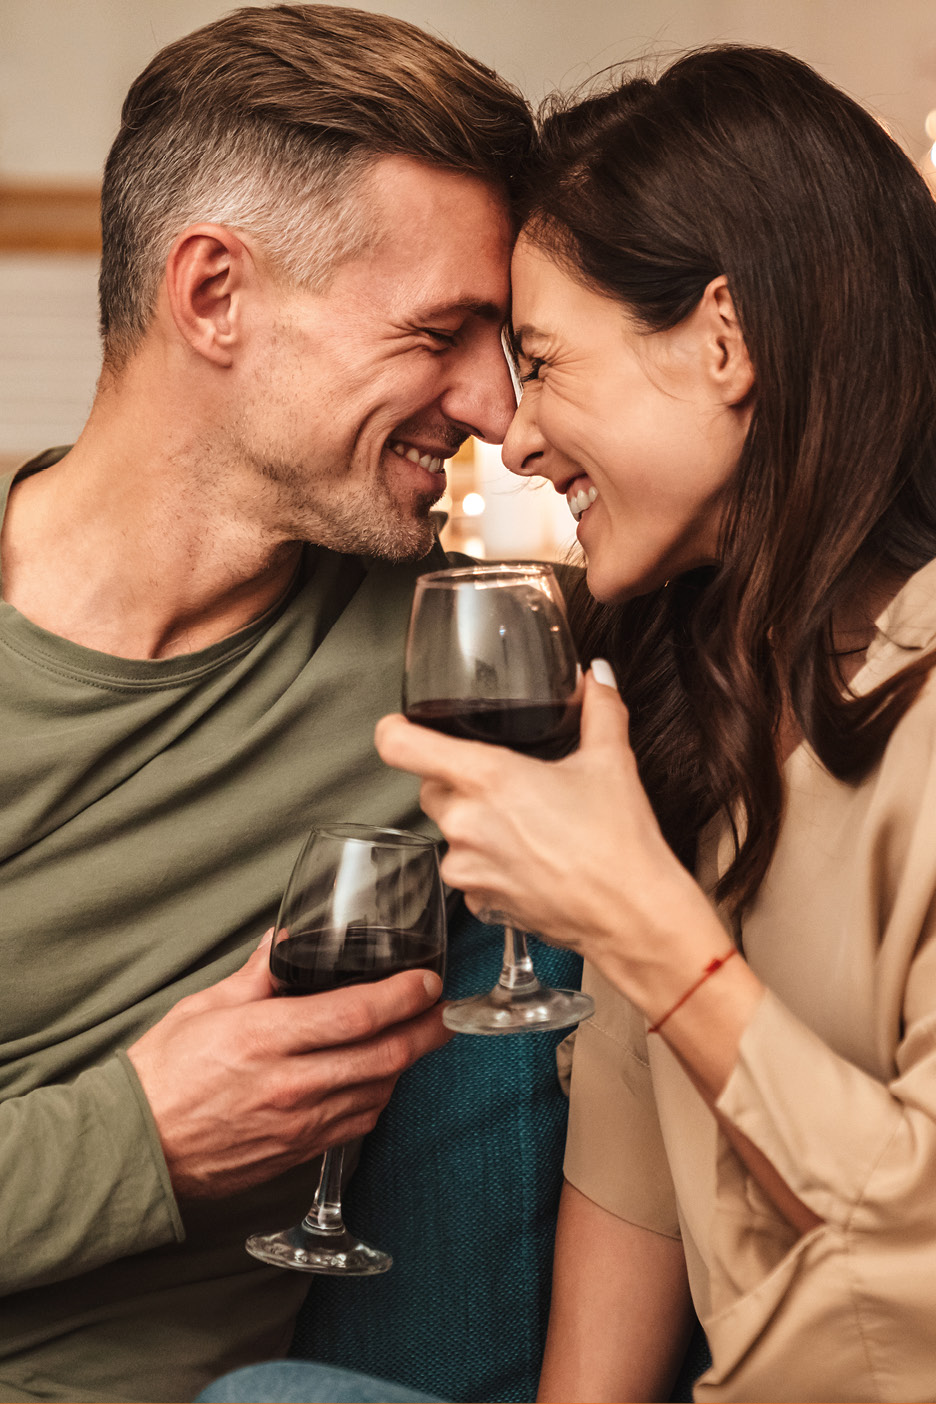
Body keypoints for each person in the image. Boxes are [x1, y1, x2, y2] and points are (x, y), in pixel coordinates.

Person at [376, 45, 936, 1402]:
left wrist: (647, 929)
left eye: (547, 362)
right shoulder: (690, 700)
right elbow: (624, 1204)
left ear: (725, 341)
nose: (512, 437)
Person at [0, 6, 533, 1401]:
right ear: (215, 294)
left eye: (509, 340)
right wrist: (143, 1140)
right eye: (442, 332)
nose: (494, 404)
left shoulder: (461, 650)